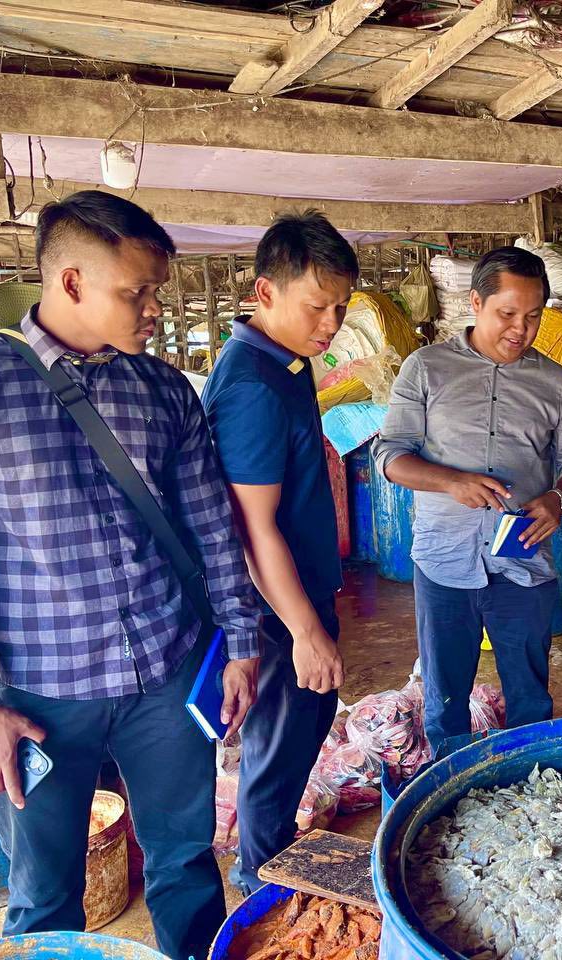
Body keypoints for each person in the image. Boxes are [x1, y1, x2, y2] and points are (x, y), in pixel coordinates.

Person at [0, 191, 260, 960]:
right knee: (43, 893)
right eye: (138, 292)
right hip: (37, 693)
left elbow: (212, 529)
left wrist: (240, 642)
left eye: (158, 290)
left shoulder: (164, 390)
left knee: (186, 863)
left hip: (167, 675)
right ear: (71, 282)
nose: (155, 309)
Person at [373, 247, 562, 755]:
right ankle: (449, 785)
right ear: (475, 303)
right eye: (508, 313)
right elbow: (389, 455)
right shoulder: (426, 368)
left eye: (533, 316)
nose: (521, 329)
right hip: (444, 561)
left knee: (530, 701)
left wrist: (558, 498)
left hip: (523, 564)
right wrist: (449, 482)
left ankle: (526, 781)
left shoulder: (556, 382)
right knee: (444, 701)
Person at [202, 212, 356, 895]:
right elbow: (251, 529)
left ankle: (269, 862)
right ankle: (262, 885)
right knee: (277, 749)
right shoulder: (254, 388)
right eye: (317, 305)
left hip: (299, 590)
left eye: (341, 307)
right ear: (265, 292)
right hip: (274, 606)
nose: (331, 323)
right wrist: (304, 630)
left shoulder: (286, 363)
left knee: (306, 723)